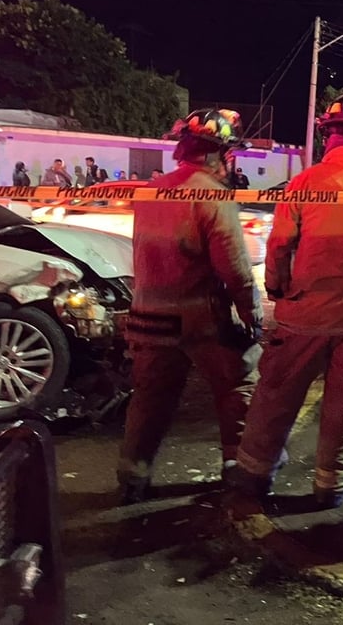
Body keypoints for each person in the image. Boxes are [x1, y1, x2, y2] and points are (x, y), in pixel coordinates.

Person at [227, 93, 343, 508]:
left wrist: (279, 289)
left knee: (276, 396)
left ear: (328, 135)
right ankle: (333, 485)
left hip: (303, 315)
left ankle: (253, 474)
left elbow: (279, 247)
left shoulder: (302, 184)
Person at [117, 108, 263, 504]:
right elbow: (234, 267)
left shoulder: (153, 191)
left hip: (149, 315)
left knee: (150, 397)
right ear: (219, 153)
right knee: (238, 384)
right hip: (201, 317)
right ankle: (238, 468)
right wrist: (251, 313)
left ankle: (132, 477)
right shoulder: (212, 195)